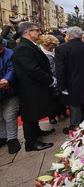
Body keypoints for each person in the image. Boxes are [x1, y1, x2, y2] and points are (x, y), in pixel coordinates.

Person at [12, 22, 55, 152]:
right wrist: (50, 79)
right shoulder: (23, 48)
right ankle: (31, 143)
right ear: (27, 32)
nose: (39, 32)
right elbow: (33, 70)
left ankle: (36, 132)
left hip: (34, 86)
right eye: (36, 30)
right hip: (30, 88)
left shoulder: (28, 45)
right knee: (30, 115)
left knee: (35, 112)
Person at [55, 26, 84, 134]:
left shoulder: (61, 48)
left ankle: (75, 125)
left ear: (68, 36)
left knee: (74, 104)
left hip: (71, 80)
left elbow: (60, 69)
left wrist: (61, 85)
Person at [37, 35, 67, 124]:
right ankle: (52, 116)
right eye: (51, 47)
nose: (53, 48)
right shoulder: (41, 52)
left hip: (59, 76)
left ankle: (62, 112)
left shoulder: (55, 50)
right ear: (46, 45)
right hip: (49, 78)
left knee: (61, 95)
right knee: (52, 98)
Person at [0, 36, 21, 154]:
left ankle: (12, 139)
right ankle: (3, 137)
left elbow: (12, 69)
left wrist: (7, 80)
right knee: (0, 117)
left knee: (9, 115)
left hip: (9, 91)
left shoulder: (9, 53)